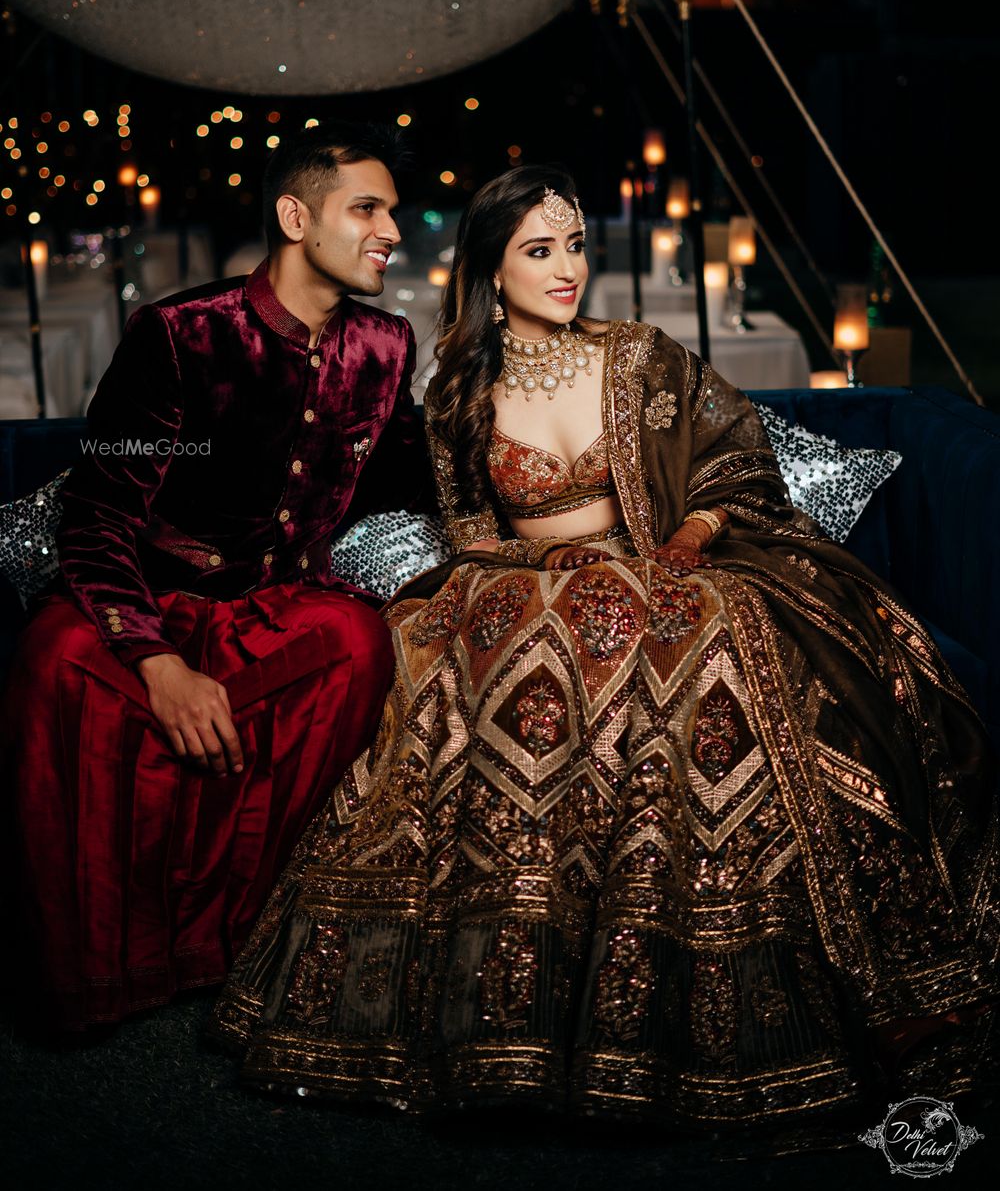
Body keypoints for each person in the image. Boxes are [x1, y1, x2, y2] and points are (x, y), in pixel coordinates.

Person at [212, 166, 998, 1130]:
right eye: (539, 250)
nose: (568, 267)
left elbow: (737, 464)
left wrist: (685, 542)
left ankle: (854, 990)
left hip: (669, 570)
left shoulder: (641, 357)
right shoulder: (458, 389)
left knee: (695, 637)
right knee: (475, 647)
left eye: (575, 245)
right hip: (531, 593)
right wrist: (543, 575)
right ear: (492, 271)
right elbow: (468, 533)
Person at [5, 118, 431, 1031]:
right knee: (52, 660)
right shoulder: (176, 335)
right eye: (367, 207)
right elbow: (96, 515)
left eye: (392, 211)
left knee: (357, 643)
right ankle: (100, 970)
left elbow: (425, 471)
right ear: (294, 215)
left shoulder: (386, 348)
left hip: (274, 609)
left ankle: (239, 944)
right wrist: (157, 662)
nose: (391, 230)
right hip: (146, 606)